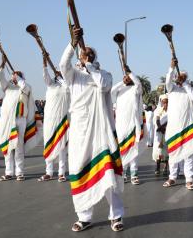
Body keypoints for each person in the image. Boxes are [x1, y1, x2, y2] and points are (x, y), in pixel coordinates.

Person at [61, 28, 124, 232]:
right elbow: (63, 64)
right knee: (80, 171)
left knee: (108, 175)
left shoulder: (103, 74)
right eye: (83, 53)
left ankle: (116, 216)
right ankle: (84, 217)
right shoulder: (73, 75)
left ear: (94, 58)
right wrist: (72, 43)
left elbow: (104, 86)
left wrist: (90, 67)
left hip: (100, 131)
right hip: (79, 131)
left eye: (89, 54)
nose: (85, 55)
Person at [0, 57, 39, 182]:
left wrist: (19, 78)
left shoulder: (26, 87)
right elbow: (0, 79)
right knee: (8, 146)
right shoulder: (8, 87)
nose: (15, 77)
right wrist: (2, 66)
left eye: (18, 75)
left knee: (19, 147)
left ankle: (19, 172)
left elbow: (24, 86)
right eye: (14, 75)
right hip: (6, 121)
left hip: (20, 120)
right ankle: (8, 172)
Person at [162, 59, 193, 190]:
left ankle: (189, 179)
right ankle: (172, 177)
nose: (180, 78)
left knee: (188, 153)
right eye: (180, 77)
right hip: (173, 127)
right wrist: (171, 68)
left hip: (187, 127)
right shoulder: (171, 89)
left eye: (183, 77)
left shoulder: (189, 90)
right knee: (173, 153)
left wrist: (185, 84)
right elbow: (167, 81)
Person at [38, 54, 70, 183]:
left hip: (63, 120)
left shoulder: (67, 86)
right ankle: (49, 172)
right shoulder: (51, 85)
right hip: (50, 120)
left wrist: (61, 76)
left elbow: (68, 87)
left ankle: (61, 173)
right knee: (49, 144)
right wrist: (44, 63)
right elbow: (45, 77)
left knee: (62, 146)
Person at [111, 67, 143, 185]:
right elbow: (111, 91)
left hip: (132, 124)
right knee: (122, 151)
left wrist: (130, 73)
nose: (127, 79)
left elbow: (139, 84)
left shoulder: (136, 89)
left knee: (133, 150)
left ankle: (134, 175)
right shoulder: (119, 90)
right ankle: (123, 173)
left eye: (129, 78)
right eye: (125, 77)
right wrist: (121, 82)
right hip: (120, 125)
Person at [153, 95, 169, 175]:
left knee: (167, 150)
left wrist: (165, 127)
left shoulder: (171, 110)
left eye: (166, 102)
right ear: (161, 102)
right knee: (159, 150)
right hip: (159, 133)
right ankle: (157, 166)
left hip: (168, 132)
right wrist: (160, 127)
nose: (165, 104)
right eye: (164, 102)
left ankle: (166, 167)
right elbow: (155, 120)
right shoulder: (157, 110)